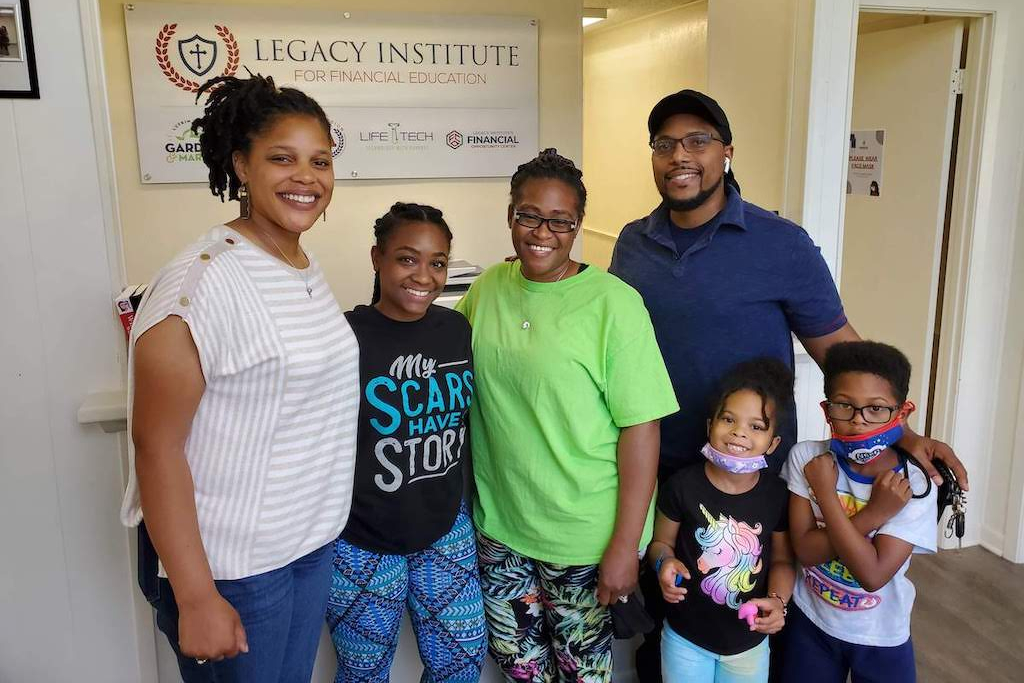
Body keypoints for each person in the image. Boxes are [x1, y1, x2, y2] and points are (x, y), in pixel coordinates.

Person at [607, 88, 966, 680]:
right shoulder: (633, 243)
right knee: (673, 616)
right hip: (663, 469)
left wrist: (902, 431)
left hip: (757, 478)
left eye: (697, 140)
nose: (680, 155)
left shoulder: (782, 244)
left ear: (726, 151)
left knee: (761, 620)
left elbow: (841, 351)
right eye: (665, 144)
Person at [121, 73, 360, 681]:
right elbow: (156, 447)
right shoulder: (199, 282)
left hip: (307, 549)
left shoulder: (299, 264)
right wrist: (198, 597)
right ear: (241, 166)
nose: (306, 177)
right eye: (282, 158)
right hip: (235, 569)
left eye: (320, 161)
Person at [455, 149, 679, 681]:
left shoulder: (614, 304)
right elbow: (448, 367)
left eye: (561, 221)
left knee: (581, 672)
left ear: (577, 226)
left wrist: (627, 544)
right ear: (511, 214)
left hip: (583, 536)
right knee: (520, 666)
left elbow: (642, 429)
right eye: (529, 215)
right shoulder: (488, 288)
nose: (543, 232)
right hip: (501, 526)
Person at [325, 202, 487, 682]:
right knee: (364, 673)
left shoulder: (456, 330)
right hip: (361, 541)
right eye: (407, 258)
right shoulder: (343, 337)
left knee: (460, 664)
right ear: (377, 258)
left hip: (444, 528)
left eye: (437, 262)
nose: (424, 275)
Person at [783, 341, 936, 683]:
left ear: (902, 413)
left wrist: (824, 495)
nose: (858, 421)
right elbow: (806, 551)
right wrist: (872, 513)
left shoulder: (914, 484)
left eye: (876, 409)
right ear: (826, 409)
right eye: (844, 406)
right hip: (811, 622)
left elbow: (872, 575)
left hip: (880, 634)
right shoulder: (807, 459)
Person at [650, 358, 796, 683]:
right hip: (684, 639)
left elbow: (785, 560)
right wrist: (664, 562)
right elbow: (660, 543)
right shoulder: (681, 485)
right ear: (709, 426)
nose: (738, 432)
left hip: (749, 645)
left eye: (756, 426)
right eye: (728, 419)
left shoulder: (777, 496)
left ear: (773, 443)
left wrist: (777, 603)